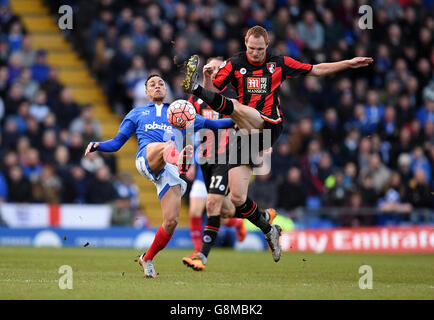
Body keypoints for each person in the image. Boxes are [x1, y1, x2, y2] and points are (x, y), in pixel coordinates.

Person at [182, 25, 373, 262]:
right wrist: (210, 76)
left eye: (260, 49)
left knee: (239, 107)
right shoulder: (233, 63)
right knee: (237, 200)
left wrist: (347, 63)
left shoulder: (278, 63)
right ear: (245, 43)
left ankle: (194, 88)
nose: (255, 53)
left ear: (267, 46)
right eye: (251, 48)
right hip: (243, 134)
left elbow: (315, 69)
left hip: (269, 125)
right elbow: (215, 96)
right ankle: (268, 228)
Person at [84, 74, 234, 278]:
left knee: (171, 221)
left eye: (161, 83)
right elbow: (118, 143)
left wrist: (241, 118)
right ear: (145, 92)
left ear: (166, 90)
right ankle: (180, 159)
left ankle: (147, 258)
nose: (157, 87)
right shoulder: (137, 114)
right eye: (152, 85)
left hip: (168, 169)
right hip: (147, 158)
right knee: (168, 145)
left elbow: (215, 125)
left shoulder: (181, 112)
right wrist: (98, 145)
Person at [182, 57, 276, 271]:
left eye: (217, 69)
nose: (214, 72)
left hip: (229, 156)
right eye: (210, 69)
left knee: (211, 204)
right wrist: (189, 157)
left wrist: (262, 146)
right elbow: (189, 127)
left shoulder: (236, 97)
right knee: (223, 210)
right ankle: (263, 217)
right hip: (205, 159)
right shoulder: (195, 101)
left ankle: (201, 256)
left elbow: (254, 120)